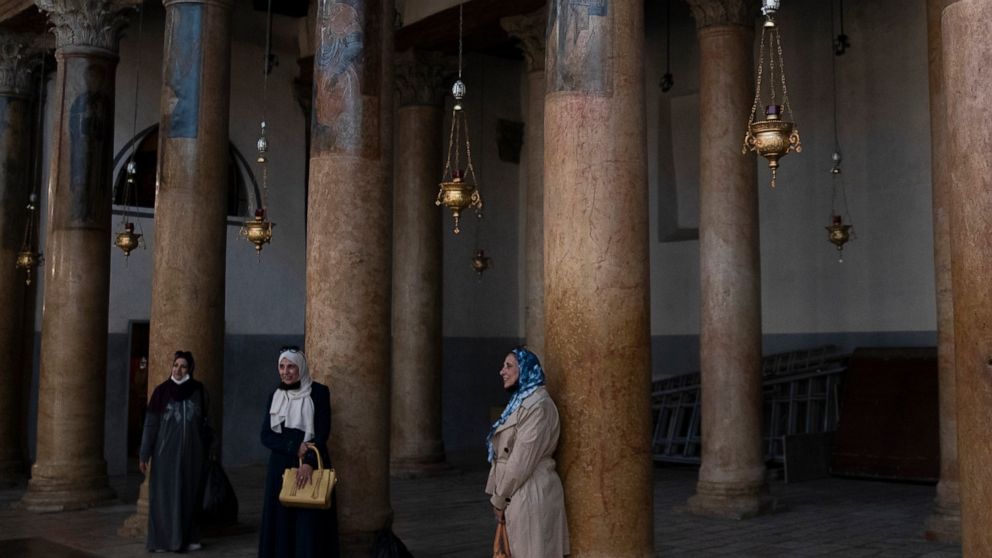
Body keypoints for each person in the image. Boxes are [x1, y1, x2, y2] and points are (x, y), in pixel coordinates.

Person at [485, 347, 570, 557]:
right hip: (519, 493)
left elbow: (520, 461)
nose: (502, 371)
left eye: (509, 366)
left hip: (529, 493)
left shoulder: (538, 406)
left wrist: (499, 498)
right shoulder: (520, 403)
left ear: (525, 369)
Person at [259, 347, 340, 558]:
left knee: (308, 521)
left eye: (291, 366)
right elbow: (266, 435)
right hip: (281, 465)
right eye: (282, 366)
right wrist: (293, 446)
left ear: (301, 368)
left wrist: (308, 463)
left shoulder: (319, 392)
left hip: (310, 463)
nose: (285, 372)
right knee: (282, 519)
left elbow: (322, 433)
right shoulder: (275, 396)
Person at [139, 350, 212, 553]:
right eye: (175, 365)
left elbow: (207, 423)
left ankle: (189, 538)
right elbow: (151, 425)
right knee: (164, 496)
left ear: (190, 369)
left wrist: (208, 451)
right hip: (165, 456)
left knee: (190, 496)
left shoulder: (199, 391)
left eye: (183, 366)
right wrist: (144, 453)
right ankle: (162, 541)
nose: (178, 369)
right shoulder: (161, 392)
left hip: (192, 455)